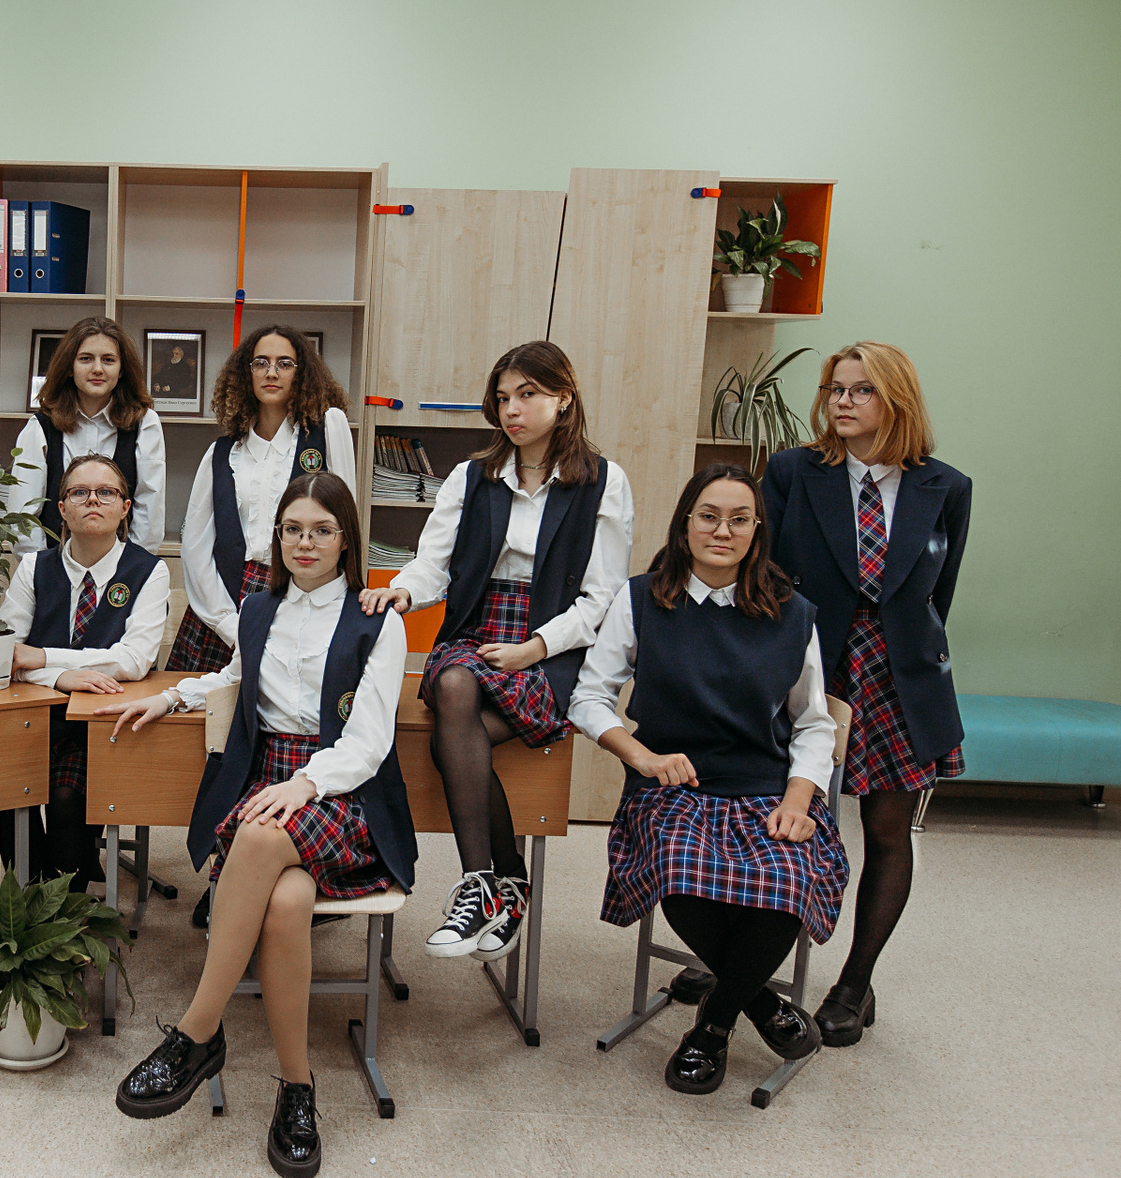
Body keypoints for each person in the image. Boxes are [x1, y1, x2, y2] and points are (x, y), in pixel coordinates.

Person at [99, 472, 412, 1178]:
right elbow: (234, 679)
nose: (305, 543)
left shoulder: (377, 620)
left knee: (263, 836)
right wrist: (172, 696)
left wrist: (304, 784)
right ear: (277, 538)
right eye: (292, 529)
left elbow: (369, 741)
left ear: (346, 540)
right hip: (262, 776)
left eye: (321, 530)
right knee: (287, 902)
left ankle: (196, 1033)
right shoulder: (258, 607)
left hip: (338, 787)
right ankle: (297, 1089)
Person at [573, 463, 848, 1094]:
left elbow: (813, 724)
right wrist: (641, 757)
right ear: (685, 525)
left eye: (739, 519)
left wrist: (799, 799)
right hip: (673, 788)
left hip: (766, 788)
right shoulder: (641, 599)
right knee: (678, 871)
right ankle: (762, 1003)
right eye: (709, 516)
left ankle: (713, 1027)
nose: (723, 531)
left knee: (787, 879)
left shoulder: (793, 612)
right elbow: (588, 697)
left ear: (757, 530)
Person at [360, 340, 632, 960]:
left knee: (452, 735)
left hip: (552, 643)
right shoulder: (470, 476)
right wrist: (402, 592)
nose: (512, 409)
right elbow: (432, 567)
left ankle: (496, 885)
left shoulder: (603, 481)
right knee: (455, 684)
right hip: (475, 632)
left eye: (528, 395)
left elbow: (602, 598)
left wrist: (535, 649)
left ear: (564, 399)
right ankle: (488, 883)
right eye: (504, 397)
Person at [761, 341, 971, 1047]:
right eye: (835, 388)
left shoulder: (947, 487)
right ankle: (742, 964)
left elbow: (937, 595)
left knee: (886, 830)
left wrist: (900, 652)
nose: (842, 401)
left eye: (861, 389)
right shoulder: (794, 472)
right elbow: (766, 575)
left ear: (896, 400)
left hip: (897, 675)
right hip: (806, 661)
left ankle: (855, 983)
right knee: (774, 814)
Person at [171, 326, 355, 928]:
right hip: (228, 604)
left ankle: (304, 871)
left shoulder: (327, 429)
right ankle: (226, 873)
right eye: (260, 363)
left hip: (303, 588)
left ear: (303, 372)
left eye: (285, 363)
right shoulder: (222, 450)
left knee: (292, 733)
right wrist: (233, 624)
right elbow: (196, 543)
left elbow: (344, 518)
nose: (272, 373)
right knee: (223, 744)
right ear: (244, 374)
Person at [0, 454, 170, 888]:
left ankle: (66, 903)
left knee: (66, 797)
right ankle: (28, 893)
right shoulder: (34, 567)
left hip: (100, 726)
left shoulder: (150, 571)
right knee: (2, 789)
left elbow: (134, 660)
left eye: (106, 492)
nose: (93, 500)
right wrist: (57, 677)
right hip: (32, 718)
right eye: (79, 492)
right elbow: (5, 652)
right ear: (62, 508)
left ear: (125, 508)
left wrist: (43, 658)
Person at [4, 317, 164, 553]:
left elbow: (150, 512)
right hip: (53, 563)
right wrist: (44, 569)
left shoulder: (145, 424)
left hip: (123, 568)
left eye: (108, 360)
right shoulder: (40, 427)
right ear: (70, 367)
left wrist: (131, 567)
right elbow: (22, 516)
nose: (97, 369)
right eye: (86, 359)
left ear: (122, 370)